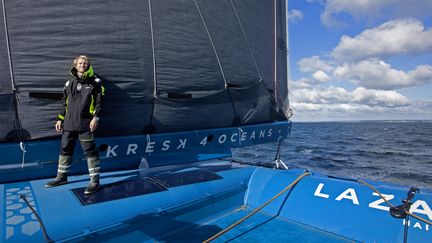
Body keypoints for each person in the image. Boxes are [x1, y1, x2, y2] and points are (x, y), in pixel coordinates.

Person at [45, 55, 104, 195]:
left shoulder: (96, 82)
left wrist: (96, 118)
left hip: (86, 124)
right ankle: (61, 177)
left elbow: (99, 102)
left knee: (90, 151)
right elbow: (64, 103)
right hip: (69, 123)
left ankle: (95, 181)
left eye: (85, 63)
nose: (82, 65)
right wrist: (60, 119)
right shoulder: (68, 84)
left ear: (88, 65)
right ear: (75, 65)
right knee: (65, 148)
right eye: (80, 63)